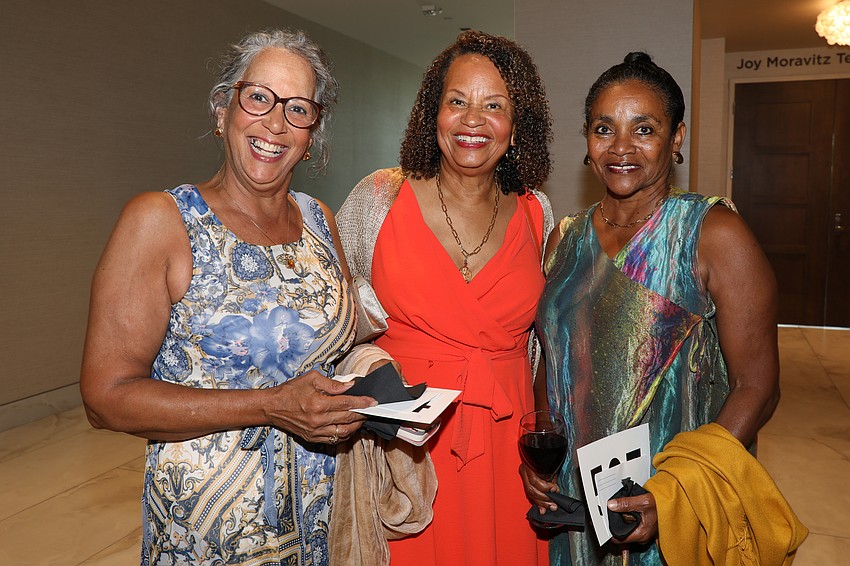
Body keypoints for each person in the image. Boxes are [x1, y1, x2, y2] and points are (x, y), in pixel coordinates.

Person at [79, 29, 377, 565]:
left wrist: (375, 373)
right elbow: (106, 397)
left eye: (297, 109)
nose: (276, 123)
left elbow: (332, 346)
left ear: (312, 133)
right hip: (211, 534)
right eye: (258, 97)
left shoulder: (320, 221)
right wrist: (269, 406)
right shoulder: (162, 221)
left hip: (322, 520)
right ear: (223, 111)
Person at [524, 52, 783, 565]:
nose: (621, 147)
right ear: (587, 138)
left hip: (669, 498)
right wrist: (540, 452)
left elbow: (757, 386)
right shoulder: (564, 237)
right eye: (604, 129)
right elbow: (552, 357)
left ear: (676, 137)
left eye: (644, 129)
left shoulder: (712, 234)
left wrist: (678, 490)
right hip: (575, 496)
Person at [337, 30, 554, 566]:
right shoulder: (378, 198)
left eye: (494, 105)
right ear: (433, 113)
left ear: (516, 125)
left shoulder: (539, 214)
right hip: (405, 451)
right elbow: (329, 318)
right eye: (457, 101)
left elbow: (546, 347)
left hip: (506, 449)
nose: (472, 120)